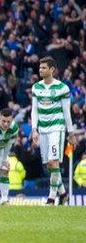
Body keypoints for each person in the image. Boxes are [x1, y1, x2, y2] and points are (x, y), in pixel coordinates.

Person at [30, 56, 76, 205]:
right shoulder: (36, 87)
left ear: (52, 69)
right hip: (42, 129)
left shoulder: (62, 88)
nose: (40, 70)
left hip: (57, 128)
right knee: (50, 165)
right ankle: (63, 194)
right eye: (40, 68)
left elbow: (66, 111)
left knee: (54, 161)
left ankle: (51, 198)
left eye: (44, 68)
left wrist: (71, 132)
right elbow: (34, 110)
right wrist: (34, 129)